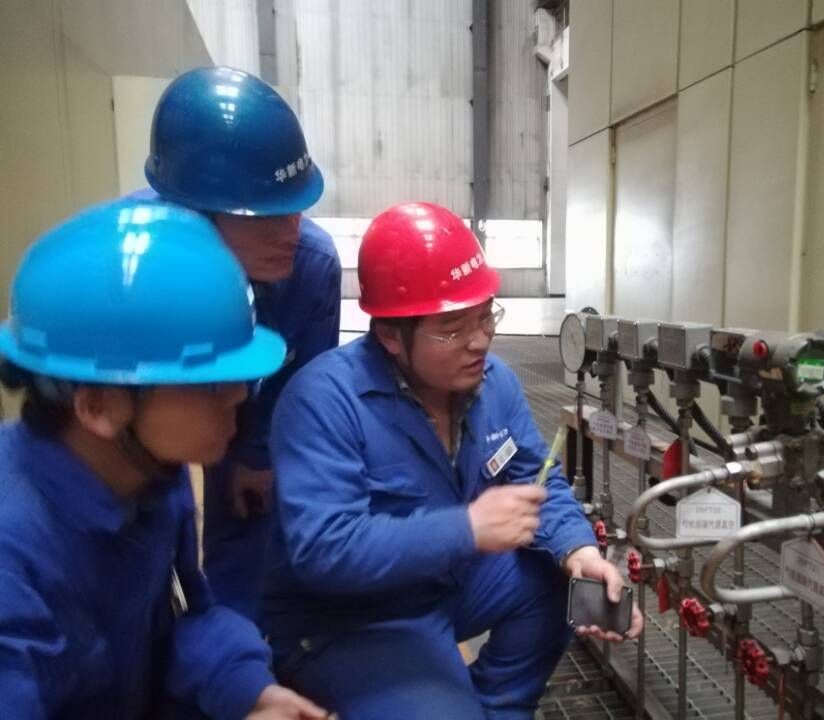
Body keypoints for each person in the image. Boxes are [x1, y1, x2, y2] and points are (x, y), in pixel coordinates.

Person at [261, 202, 643, 719]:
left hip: (447, 584)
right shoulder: (324, 400)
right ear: (390, 335)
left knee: (557, 575)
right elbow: (325, 550)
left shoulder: (495, 384)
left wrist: (580, 551)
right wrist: (465, 529)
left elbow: (539, 480)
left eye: (486, 315)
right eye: (452, 327)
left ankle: (499, 706)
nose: (480, 340)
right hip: (351, 619)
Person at [0, 201, 330, 720]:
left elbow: (182, 615)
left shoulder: (151, 476)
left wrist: (248, 688)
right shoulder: (15, 558)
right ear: (98, 406)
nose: (239, 396)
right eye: (210, 384)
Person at [130, 66, 342, 619]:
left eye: (296, 208)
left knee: (251, 520)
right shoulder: (134, 266)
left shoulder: (311, 267)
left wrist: (256, 456)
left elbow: (305, 389)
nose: (291, 231)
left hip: (252, 427)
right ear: (194, 215)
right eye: (266, 217)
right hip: (138, 436)